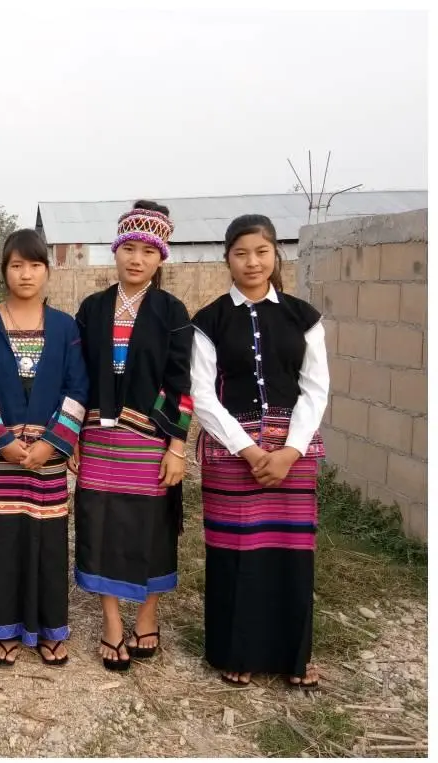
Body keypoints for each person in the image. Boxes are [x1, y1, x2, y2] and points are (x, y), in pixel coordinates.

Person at [190, 214, 329, 689]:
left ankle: (294, 657)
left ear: (275, 255)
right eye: (241, 253)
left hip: (294, 455)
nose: (252, 262)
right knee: (235, 553)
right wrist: (249, 451)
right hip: (232, 456)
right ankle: (237, 652)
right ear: (227, 258)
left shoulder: (304, 317)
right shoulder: (209, 321)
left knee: (292, 552)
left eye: (262, 252)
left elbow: (315, 389)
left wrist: (291, 451)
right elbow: (202, 395)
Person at [71, 201, 193, 672]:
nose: (137, 259)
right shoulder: (93, 308)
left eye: (148, 251)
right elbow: (78, 376)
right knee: (99, 526)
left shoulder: (171, 311)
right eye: (129, 248)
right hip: (98, 439)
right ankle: (111, 622)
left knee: (152, 527)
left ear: (161, 258)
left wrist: (177, 446)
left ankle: (146, 615)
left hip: (150, 440)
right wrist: (73, 435)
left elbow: (180, 382)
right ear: (116, 251)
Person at [0, 229, 88, 667]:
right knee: (1, 540)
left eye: (35, 265)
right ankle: (3, 627)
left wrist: (53, 443)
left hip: (47, 459)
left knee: (48, 541)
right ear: (4, 271)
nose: (26, 274)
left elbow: (78, 386)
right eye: (17, 265)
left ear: (47, 271)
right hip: (1, 458)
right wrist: (2, 442)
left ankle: (49, 628)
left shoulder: (66, 328)